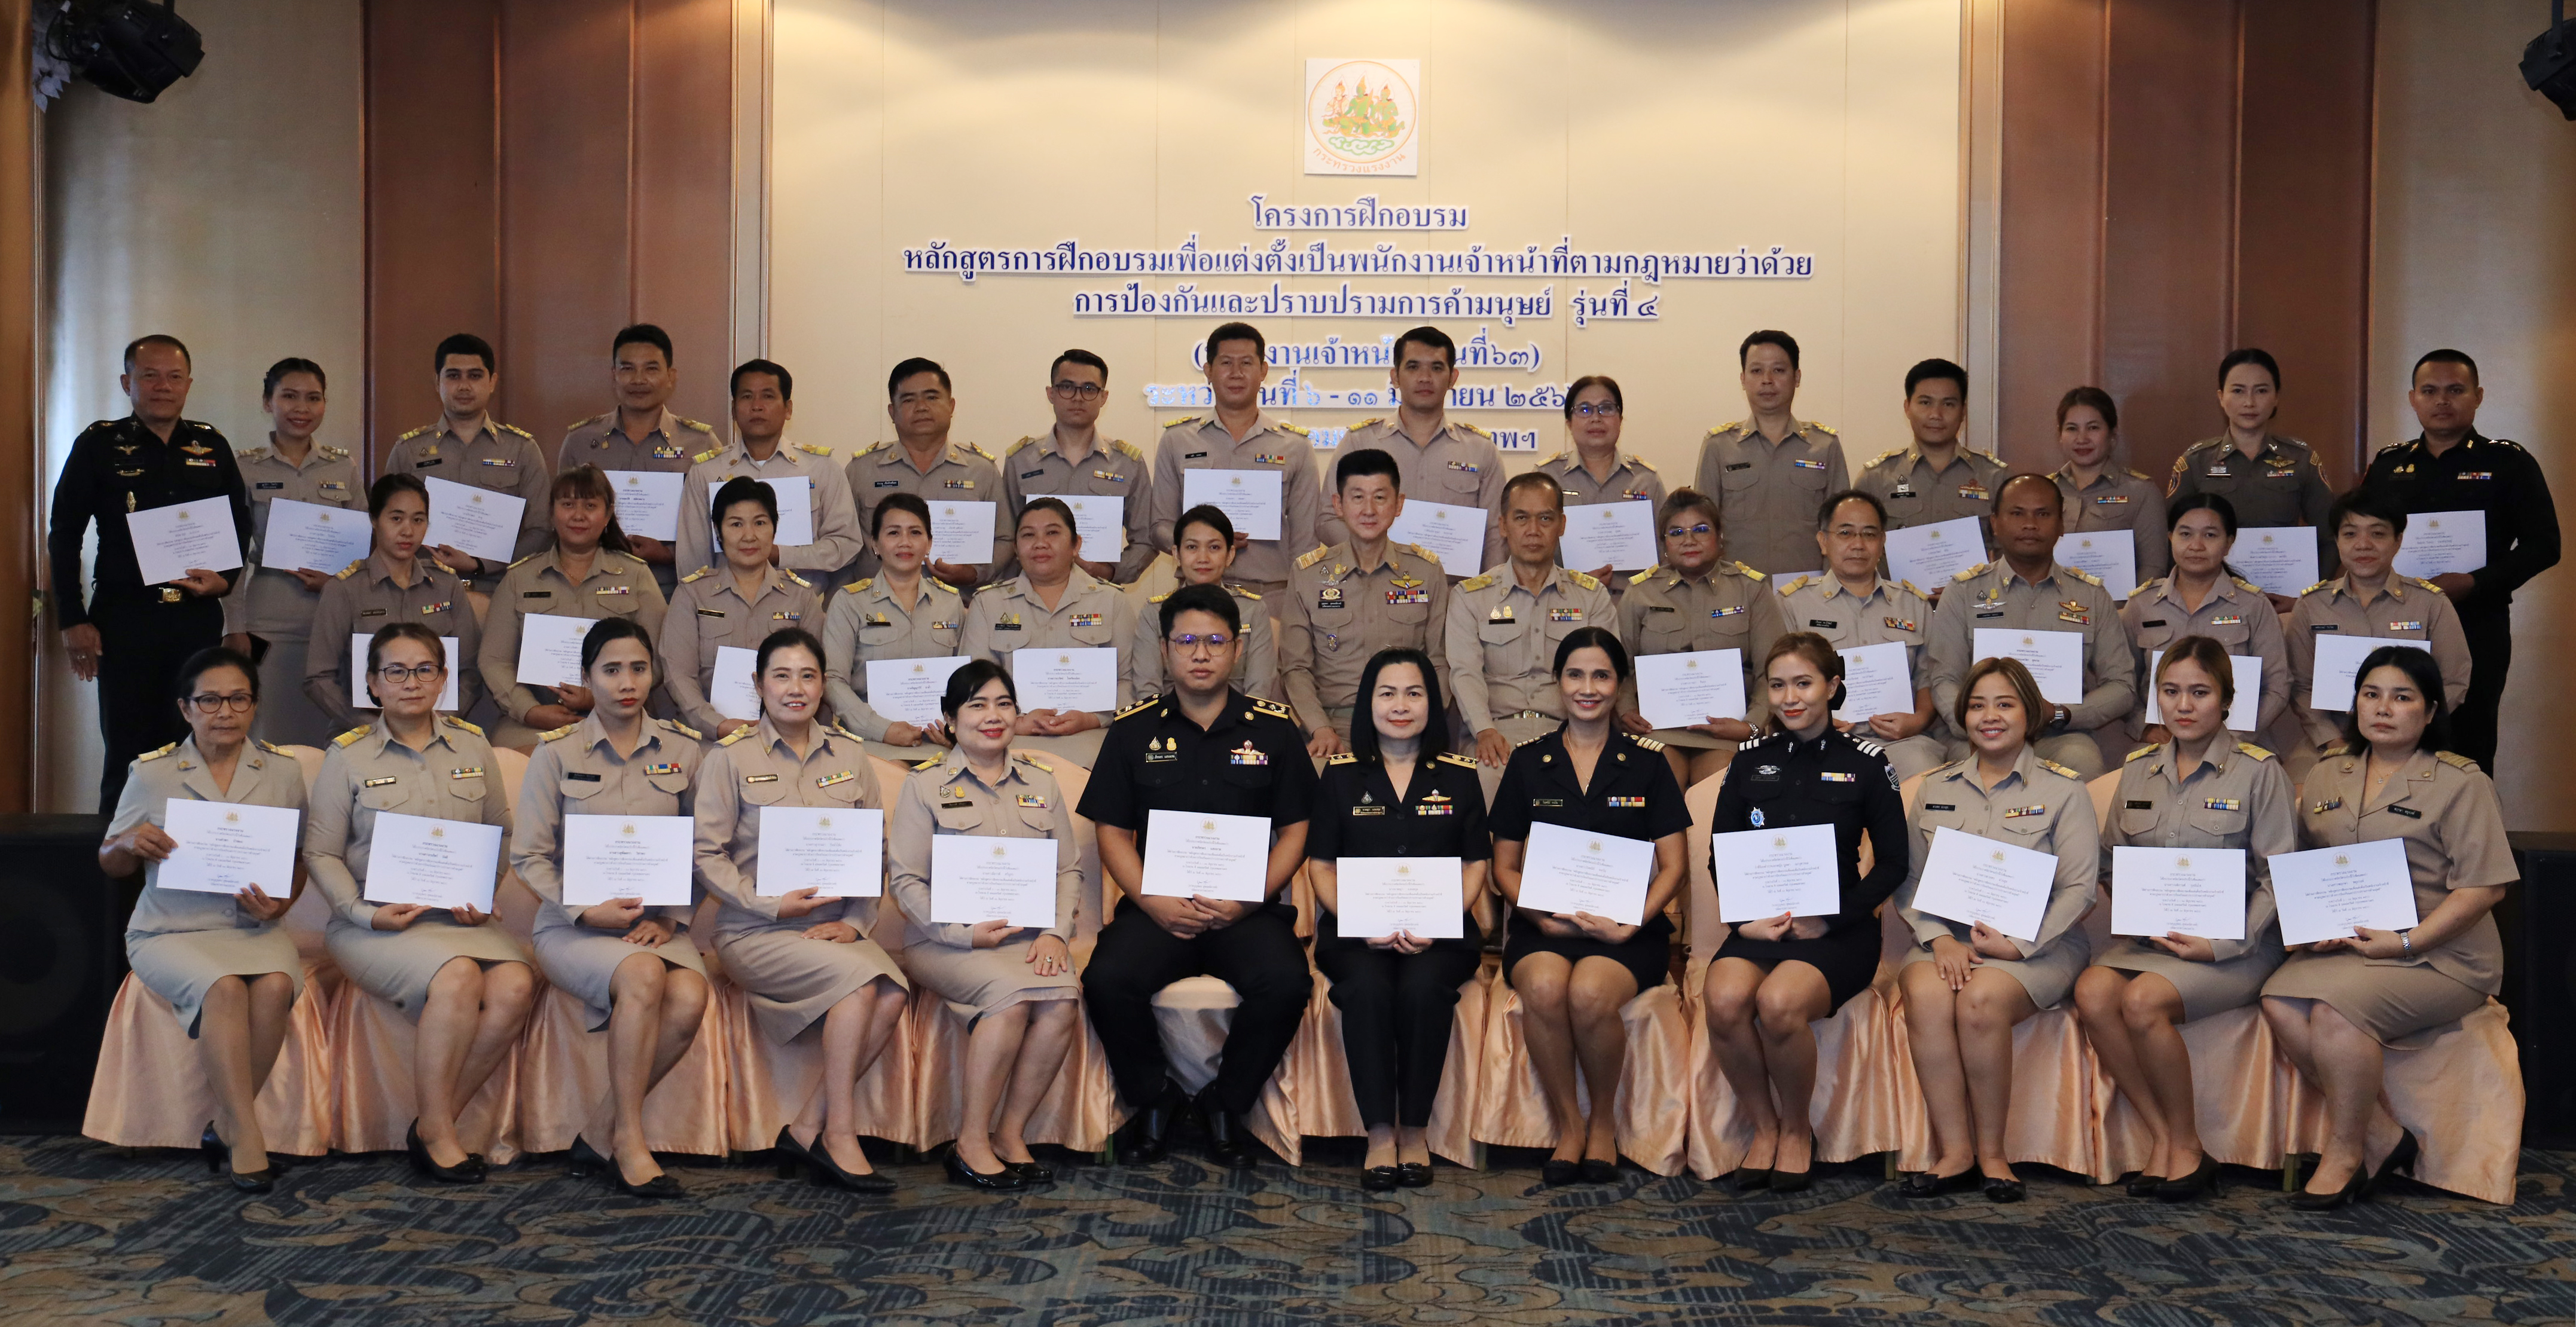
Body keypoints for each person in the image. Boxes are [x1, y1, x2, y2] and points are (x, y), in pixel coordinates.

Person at [2262, 645, 2516, 1209]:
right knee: (2279, 1000)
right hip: (2352, 945)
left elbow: (2485, 889)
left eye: (2402, 697)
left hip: (2443, 954)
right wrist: (2313, 925)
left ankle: (2347, 1153)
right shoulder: (2326, 774)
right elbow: (2307, 869)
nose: (2383, 708)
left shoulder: (2460, 782)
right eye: (2371, 694)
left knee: (2334, 1013)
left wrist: (2405, 942)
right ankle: (2383, 1133)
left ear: (2430, 712)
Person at [1078, 584, 1316, 1169]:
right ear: (1165, 650)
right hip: (1159, 908)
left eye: (1215, 641)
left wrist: (1250, 898)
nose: (1201, 653)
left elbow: (1297, 830)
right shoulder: (1132, 731)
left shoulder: (1274, 730)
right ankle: (1153, 1099)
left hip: (1245, 911)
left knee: (1287, 982)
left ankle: (1225, 1103)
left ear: (1238, 649)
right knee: (1107, 979)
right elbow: (1112, 832)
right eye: (1186, 641)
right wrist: (1151, 900)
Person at [306, 623, 532, 1184]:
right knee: (458, 977)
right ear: (372, 683)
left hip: (458, 918)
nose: (411, 683)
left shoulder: (473, 745)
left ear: (443, 678)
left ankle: (434, 1121)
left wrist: (482, 892)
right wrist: (365, 913)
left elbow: (502, 831)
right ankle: (438, 1136)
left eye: (424, 670)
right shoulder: (348, 756)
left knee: (515, 984)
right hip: (375, 923)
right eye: (396, 672)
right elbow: (321, 853)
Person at [2073, 638, 2294, 1203]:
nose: (2184, 705)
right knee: (2093, 991)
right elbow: (2110, 860)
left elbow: (2280, 878)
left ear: (2226, 700)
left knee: (2143, 1001)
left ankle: (2187, 1147)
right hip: (2154, 941)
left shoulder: (2259, 771)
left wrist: (2222, 944)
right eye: (2170, 692)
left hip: (2238, 946)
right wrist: (2140, 909)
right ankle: (2166, 1137)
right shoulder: (2139, 770)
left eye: (2200, 692)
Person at [694, 627, 907, 1194]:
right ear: (759, 685)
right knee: (862, 986)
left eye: (808, 676)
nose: (796, 688)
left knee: (892, 992)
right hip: (753, 930)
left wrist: (857, 922)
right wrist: (768, 904)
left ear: (823, 686)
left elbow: (876, 849)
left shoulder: (851, 755)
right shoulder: (729, 758)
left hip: (833, 928)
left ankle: (808, 1126)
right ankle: (840, 1134)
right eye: (782, 676)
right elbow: (705, 855)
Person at [509, 618, 709, 1199]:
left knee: (690, 998)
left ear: (654, 674)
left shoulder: (684, 751)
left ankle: (598, 1131)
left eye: (639, 669)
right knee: (644, 977)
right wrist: (583, 911)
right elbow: (529, 855)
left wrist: (672, 917)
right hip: (572, 926)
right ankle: (629, 1141)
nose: (627, 683)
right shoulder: (556, 752)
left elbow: (704, 848)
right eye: (612, 670)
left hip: (654, 924)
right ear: (586, 677)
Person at [1702, 633, 1909, 1193]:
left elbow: (1894, 863)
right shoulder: (1750, 761)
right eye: (1778, 686)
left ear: (1832, 686)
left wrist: (1831, 919)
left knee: (1779, 1003)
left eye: (1803, 683)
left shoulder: (1866, 762)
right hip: (1759, 925)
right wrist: (1741, 922)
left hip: (1837, 930)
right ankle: (1764, 1127)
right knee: (1723, 999)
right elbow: (1722, 853)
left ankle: (1796, 1130)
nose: (1790, 698)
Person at [100, 647, 308, 1191]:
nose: (225, 712)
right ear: (186, 708)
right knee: (223, 988)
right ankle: (247, 1135)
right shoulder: (152, 773)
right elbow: (110, 862)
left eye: (239, 699)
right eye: (210, 700)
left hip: (254, 928)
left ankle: (225, 1125)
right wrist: (128, 842)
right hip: (169, 929)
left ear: (254, 706)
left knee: (276, 985)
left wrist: (281, 905)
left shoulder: (283, 772)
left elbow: (298, 859)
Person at [1892, 656, 2098, 1203]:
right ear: (1962, 716)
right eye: (1978, 705)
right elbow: (1909, 880)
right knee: (1927, 995)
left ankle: (1993, 1155)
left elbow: (2080, 890)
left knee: (1980, 1001)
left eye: (2005, 704)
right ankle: (1954, 1153)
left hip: (2040, 943)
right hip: (1944, 937)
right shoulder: (1933, 788)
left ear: (2029, 714)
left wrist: (2018, 944)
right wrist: (1938, 939)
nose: (1990, 716)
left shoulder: (2065, 791)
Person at [1488, 628, 1689, 1185]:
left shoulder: (1649, 764)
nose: (1588, 688)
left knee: (1591, 992)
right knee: (1545, 988)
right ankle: (1569, 1126)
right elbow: (1504, 867)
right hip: (1544, 926)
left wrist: (1631, 924)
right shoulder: (1529, 761)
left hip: (1627, 931)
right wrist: (1538, 916)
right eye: (1575, 675)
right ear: (1558, 682)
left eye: (1601, 675)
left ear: (1619, 685)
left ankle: (1602, 1123)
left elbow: (1674, 867)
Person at [886, 661, 1083, 1191]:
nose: (993, 716)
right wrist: (961, 933)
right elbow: (906, 882)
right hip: (944, 943)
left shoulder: (1042, 783)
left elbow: (1068, 870)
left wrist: (1055, 933)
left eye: (1003, 704)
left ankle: (1010, 1135)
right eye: (977, 706)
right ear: (951, 720)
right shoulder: (925, 786)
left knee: (1063, 999)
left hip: (1028, 938)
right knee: (1012, 999)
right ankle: (971, 1142)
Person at [1308, 647, 1488, 1190]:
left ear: (1432, 703)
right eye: (1387, 694)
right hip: (1355, 934)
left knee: (1422, 990)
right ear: (1368, 703)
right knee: (1367, 990)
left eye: (1414, 693)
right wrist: (1357, 921)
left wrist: (1440, 919)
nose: (1401, 706)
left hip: (1442, 935)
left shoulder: (1459, 776)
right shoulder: (1340, 776)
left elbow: (1476, 864)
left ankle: (1415, 1130)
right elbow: (1321, 865)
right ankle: (1379, 1133)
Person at [49, 334, 252, 813]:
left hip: (195, 620)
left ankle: (189, 855)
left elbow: (239, 522)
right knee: (128, 752)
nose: (163, 386)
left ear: (188, 384)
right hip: (126, 620)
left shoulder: (211, 444)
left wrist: (225, 578)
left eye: (174, 377)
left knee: (199, 746)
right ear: (127, 383)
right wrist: (72, 617)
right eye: (150, 376)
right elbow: (65, 534)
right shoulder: (99, 444)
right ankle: (118, 858)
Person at [2358, 348, 2560, 773]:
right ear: (2413, 398)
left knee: (2469, 743)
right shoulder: (2389, 465)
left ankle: (2469, 820)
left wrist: (2475, 583)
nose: (2442, 401)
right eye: (2430, 391)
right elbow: (2363, 536)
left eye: (2455, 390)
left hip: (2476, 622)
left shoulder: (2508, 462)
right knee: (2391, 735)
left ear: (2478, 396)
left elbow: (2545, 545)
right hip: (2396, 621)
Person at [1924, 475, 2134, 780]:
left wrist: (2061, 714)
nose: (2030, 524)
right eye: (2017, 513)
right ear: (1995, 523)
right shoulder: (1963, 591)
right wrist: (1977, 720)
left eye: (2043, 514)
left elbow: (2122, 685)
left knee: (2084, 763)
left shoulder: (2091, 595)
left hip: (2059, 735)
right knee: (1966, 775)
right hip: (1979, 735)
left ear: (2061, 525)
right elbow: (1944, 679)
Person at [477, 464, 669, 750]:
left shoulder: (636, 575)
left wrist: (601, 696)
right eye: (568, 505)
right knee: (511, 760)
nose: (578, 515)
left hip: (621, 716)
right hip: (535, 721)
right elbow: (494, 661)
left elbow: (659, 659)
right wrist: (529, 710)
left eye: (590, 506)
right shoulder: (520, 578)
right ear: (552, 513)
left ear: (608, 515)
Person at [225, 357, 361, 748]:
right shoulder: (244, 467)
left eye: (313, 398)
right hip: (269, 615)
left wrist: (338, 582)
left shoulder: (343, 467)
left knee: (335, 732)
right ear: (268, 402)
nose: (302, 408)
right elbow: (233, 554)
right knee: (269, 729)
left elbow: (366, 545)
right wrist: (234, 626)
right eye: (289, 396)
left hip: (334, 614)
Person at [1616, 487, 1786, 788]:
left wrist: (1751, 725)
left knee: (1716, 793)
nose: (1689, 540)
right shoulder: (1640, 592)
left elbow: (1773, 672)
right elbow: (1620, 667)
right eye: (1676, 532)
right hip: (1657, 730)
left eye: (1701, 529)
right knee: (1659, 786)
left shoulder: (1751, 589)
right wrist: (1626, 711)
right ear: (1664, 545)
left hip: (1727, 732)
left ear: (1720, 537)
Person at [1279, 452, 1448, 754]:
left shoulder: (1427, 571)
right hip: (1335, 728)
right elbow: (1296, 668)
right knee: (1316, 776)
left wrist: (1424, 722)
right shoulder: (1307, 575)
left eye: (1380, 497)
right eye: (1357, 497)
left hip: (1407, 725)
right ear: (1338, 505)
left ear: (1399, 504)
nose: (1369, 510)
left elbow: (1440, 661)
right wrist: (1320, 728)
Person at [1448, 472, 1616, 770]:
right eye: (1522, 518)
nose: (1533, 531)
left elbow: (1605, 676)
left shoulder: (1591, 597)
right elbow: (1465, 673)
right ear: (1503, 525)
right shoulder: (1470, 597)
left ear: (1562, 525)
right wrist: (1484, 730)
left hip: (1573, 732)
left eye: (1546, 519)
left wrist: (1586, 736)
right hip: (1496, 735)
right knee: (1484, 783)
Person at [2287, 488, 2471, 760]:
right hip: (2330, 742)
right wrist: (2331, 739)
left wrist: (2409, 727)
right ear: (2337, 541)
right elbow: (2301, 685)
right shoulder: (2311, 605)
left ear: (2398, 540)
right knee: (2297, 784)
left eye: (2378, 533)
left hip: (2412, 743)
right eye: (2350, 534)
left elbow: (2454, 680)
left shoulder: (2430, 603)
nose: (2363, 545)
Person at [1148, 322, 1323, 602]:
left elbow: (1306, 542)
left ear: (1263, 371)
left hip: (1272, 598)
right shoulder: (1177, 441)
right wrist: (1205, 544)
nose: (1236, 373)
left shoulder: (1295, 447)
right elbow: (1160, 525)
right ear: (1209, 371)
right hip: (1196, 595)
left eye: (1246, 363)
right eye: (1226, 363)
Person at [1777, 491, 1944, 781]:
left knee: (1924, 773)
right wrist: (1816, 722)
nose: (1858, 544)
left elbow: (1929, 677)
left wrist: (1918, 721)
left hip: (1902, 742)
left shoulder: (1914, 604)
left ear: (1882, 542)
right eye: (1845, 533)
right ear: (1823, 541)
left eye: (1869, 534)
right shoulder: (1793, 604)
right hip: (1822, 739)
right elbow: (1778, 682)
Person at [958, 499, 1136, 768]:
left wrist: (1092, 718)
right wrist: (1016, 722)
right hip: (1009, 746)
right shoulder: (988, 604)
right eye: (1028, 535)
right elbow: (972, 685)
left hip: (1094, 745)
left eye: (1052, 533)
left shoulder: (1112, 601)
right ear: (1016, 548)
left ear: (1076, 544)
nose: (1040, 543)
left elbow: (1131, 681)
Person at [303, 475, 487, 733]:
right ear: (374, 520)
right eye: (396, 519)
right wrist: (372, 728)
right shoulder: (344, 589)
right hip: (364, 732)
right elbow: (319, 677)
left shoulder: (447, 585)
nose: (408, 531)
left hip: (438, 730)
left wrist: (440, 723)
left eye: (418, 520)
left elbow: (469, 672)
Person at [1322, 326, 1506, 573]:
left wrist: (1487, 590)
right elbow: (1327, 519)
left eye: (1437, 368)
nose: (1425, 378)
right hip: (1376, 585)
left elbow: (1495, 533)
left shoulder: (1481, 451)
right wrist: (1375, 555)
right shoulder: (1360, 442)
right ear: (1395, 377)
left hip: (1456, 592)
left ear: (1453, 378)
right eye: (1413, 367)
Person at [673, 359, 866, 587]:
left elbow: (846, 545)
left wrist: (779, 555)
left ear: (788, 409)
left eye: (768, 396)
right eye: (747, 396)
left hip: (803, 604)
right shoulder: (705, 472)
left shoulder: (822, 468)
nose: (757, 406)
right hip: (724, 603)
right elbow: (693, 559)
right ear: (734, 410)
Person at [2117, 493, 2292, 742]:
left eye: (2210, 535)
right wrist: (2145, 728)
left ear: (2229, 543)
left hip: (2237, 743)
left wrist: (2236, 737)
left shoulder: (2254, 605)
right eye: (2185, 534)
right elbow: (2123, 682)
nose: (2196, 546)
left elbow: (2277, 684)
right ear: (2171, 537)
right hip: (2161, 741)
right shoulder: (2141, 605)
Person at [380, 333, 552, 583]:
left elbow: (541, 531)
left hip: (500, 589)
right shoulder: (408, 451)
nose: (464, 386)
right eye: (453, 376)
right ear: (437, 381)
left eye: (475, 376)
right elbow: (386, 526)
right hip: (423, 587)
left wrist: (480, 565)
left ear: (492, 382)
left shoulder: (522, 450)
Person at [2167, 347, 2336, 598]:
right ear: (2221, 397)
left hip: (2284, 600)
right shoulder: (2195, 462)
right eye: (2238, 391)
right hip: (2211, 599)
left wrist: (2307, 597)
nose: (2249, 402)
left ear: (2276, 397)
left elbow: (2330, 539)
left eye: (2261, 391)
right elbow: (2171, 539)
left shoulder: (2301, 459)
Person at [660, 477, 822, 738]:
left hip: (786, 737)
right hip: (709, 739)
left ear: (774, 529)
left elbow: (817, 675)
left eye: (760, 523)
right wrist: (716, 725)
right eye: (736, 524)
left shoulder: (802, 597)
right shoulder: (692, 595)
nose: (749, 536)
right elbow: (678, 675)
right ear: (718, 532)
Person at [557, 324, 708, 595]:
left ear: (671, 376)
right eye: (627, 368)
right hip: (591, 588)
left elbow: (718, 525)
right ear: (613, 375)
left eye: (651, 369)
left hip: (673, 591)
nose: (638, 380)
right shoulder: (580, 441)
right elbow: (560, 517)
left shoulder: (701, 444)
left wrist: (669, 553)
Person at [820, 493, 965, 763]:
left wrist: (957, 732)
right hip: (870, 746)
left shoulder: (951, 602)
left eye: (915, 532)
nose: (905, 542)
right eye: (893, 533)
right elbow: (832, 680)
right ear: (875, 543)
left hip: (941, 746)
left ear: (929, 543)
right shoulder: (849, 602)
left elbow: (967, 682)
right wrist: (880, 729)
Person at [1691, 330, 1848, 578]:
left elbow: (1842, 530)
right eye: (1756, 371)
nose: (1767, 380)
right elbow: (1701, 529)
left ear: (1797, 377)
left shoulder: (1825, 447)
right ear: (1743, 379)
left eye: (1778, 370)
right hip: (1738, 590)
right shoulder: (1718, 447)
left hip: (1807, 591)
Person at [846, 357, 1006, 589]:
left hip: (959, 604)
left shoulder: (981, 471)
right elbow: (845, 545)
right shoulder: (862, 470)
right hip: (875, 606)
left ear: (951, 406)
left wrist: (974, 574)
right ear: (892, 412)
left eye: (932, 397)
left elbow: (1005, 539)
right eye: (908, 399)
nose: (921, 407)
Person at [999, 349, 1154, 585]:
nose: (1078, 398)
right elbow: (1006, 535)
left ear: (1104, 397)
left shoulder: (1128, 463)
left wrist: (1111, 573)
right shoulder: (1020, 460)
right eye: (1067, 387)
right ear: (1051, 393)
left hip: (1100, 593)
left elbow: (1146, 539)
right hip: (1032, 590)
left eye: (1089, 389)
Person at [1131, 504, 1280, 708]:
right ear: (1177, 554)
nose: (1203, 558)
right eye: (1192, 547)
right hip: (1169, 720)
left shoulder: (1253, 610)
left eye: (1214, 548)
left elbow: (1259, 689)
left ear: (1230, 555)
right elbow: (1148, 690)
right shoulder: (1154, 612)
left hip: (1239, 720)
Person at [1852, 359, 2006, 544]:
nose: (1936, 415)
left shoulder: (1996, 478)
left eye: (1948, 404)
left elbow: (2008, 549)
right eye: (1925, 403)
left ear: (1963, 411)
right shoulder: (1875, 478)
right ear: (1907, 408)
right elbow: (1856, 544)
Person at [1535, 375, 1668, 589]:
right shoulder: (1546, 479)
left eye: (1606, 409)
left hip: (1633, 601)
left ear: (1620, 420)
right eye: (1584, 409)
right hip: (1563, 599)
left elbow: (1667, 554)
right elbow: (1530, 552)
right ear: (1569, 423)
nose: (1596, 418)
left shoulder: (1646, 480)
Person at [2050, 387, 2169, 589]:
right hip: (2052, 606)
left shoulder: (2141, 492)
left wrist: (2129, 606)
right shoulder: (2044, 491)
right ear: (2060, 435)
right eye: (2072, 429)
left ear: (2112, 434)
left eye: (2093, 428)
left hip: (2119, 607)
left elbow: (2153, 568)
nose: (2082, 439)